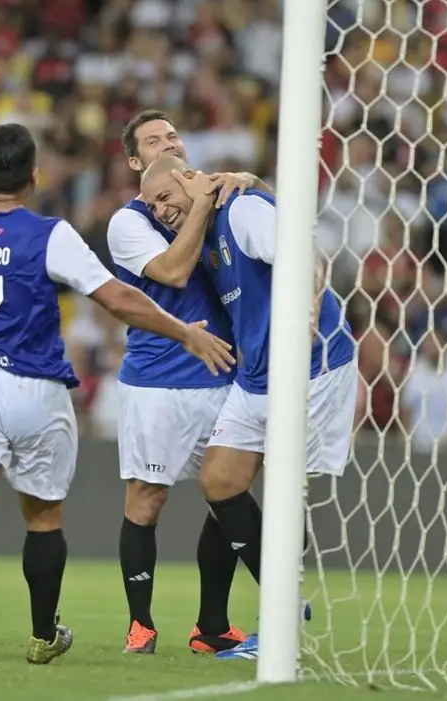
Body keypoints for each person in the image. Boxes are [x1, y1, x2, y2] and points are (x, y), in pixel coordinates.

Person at [0, 123, 236, 665]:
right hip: (36, 383)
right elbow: (116, 299)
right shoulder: (50, 234)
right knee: (43, 519)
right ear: (35, 175)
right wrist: (185, 332)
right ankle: (43, 635)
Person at [138, 155, 357, 660]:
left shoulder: (241, 210)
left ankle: (278, 626)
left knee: (282, 495)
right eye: (152, 206)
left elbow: (305, 254)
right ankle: (286, 603)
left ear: (189, 178)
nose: (161, 211)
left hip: (311, 370)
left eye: (165, 197)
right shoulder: (201, 233)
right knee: (220, 481)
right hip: (256, 376)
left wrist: (307, 312)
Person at [109, 109, 271, 655]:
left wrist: (249, 184)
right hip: (158, 382)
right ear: (135, 161)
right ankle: (140, 625)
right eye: (152, 141)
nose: (165, 144)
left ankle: (213, 626)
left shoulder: (218, 196)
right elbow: (175, 271)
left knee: (227, 495)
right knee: (147, 499)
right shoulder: (129, 222)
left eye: (172, 136)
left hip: (225, 375)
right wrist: (203, 201)